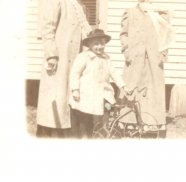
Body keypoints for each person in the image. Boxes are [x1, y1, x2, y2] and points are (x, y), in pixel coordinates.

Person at [120, 0, 175, 138]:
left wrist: (163, 52)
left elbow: (166, 34)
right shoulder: (130, 12)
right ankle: (130, 123)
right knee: (133, 88)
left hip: (153, 59)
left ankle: (151, 124)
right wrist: (127, 51)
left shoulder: (158, 13)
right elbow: (124, 34)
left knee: (152, 91)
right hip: (134, 58)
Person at [36, 0, 91, 137]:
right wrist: (52, 55)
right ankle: (50, 136)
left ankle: (67, 136)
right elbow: (47, 28)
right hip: (60, 59)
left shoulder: (80, 6)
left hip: (75, 60)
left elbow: (85, 34)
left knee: (70, 101)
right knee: (56, 100)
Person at [69, 29, 127, 138]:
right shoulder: (84, 57)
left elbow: (113, 72)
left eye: (102, 43)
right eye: (96, 44)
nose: (99, 47)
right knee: (85, 119)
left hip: (104, 93)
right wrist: (75, 89)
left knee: (105, 114)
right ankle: (86, 137)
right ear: (89, 45)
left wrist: (122, 85)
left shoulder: (106, 58)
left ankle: (102, 134)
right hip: (87, 94)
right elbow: (75, 73)